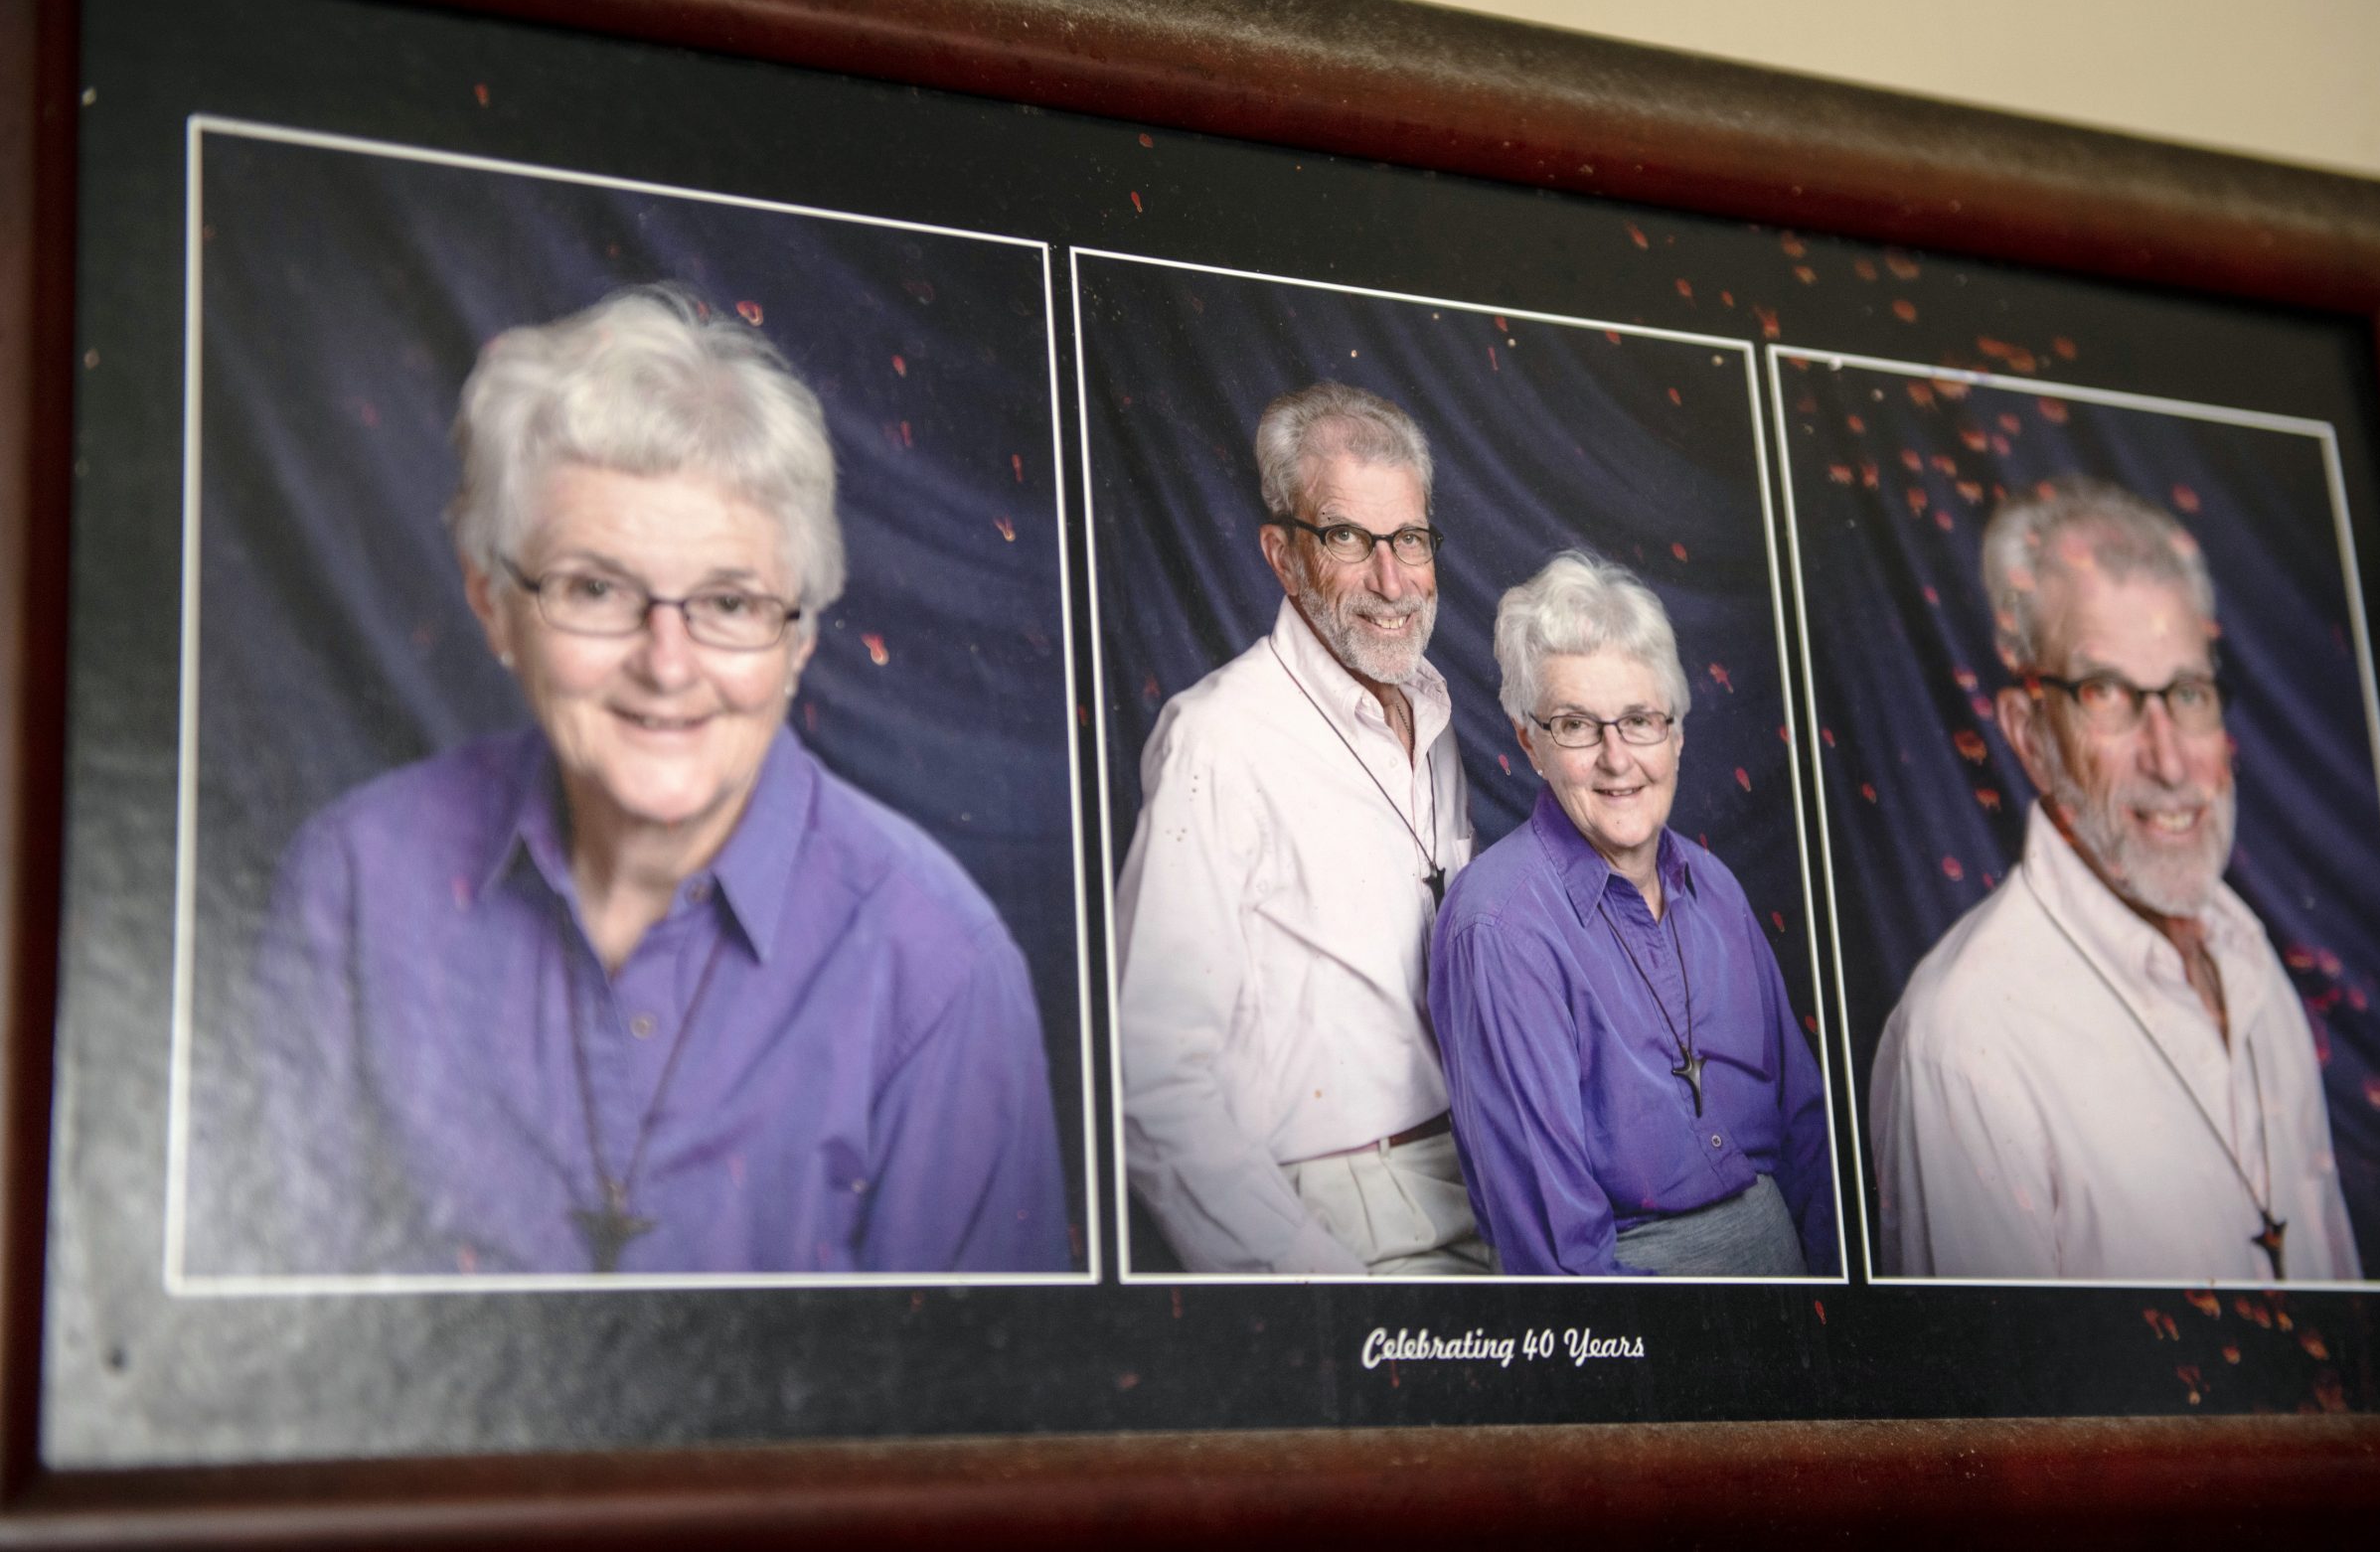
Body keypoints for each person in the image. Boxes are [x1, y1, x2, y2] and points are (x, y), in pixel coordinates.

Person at [209, 283, 1069, 1276]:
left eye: (731, 601)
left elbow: (991, 1415)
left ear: (800, 636)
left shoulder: (938, 965)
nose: (666, 665)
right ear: (493, 605)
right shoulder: (355, 884)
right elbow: (266, 1334)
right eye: (595, 589)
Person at [1870, 477, 2360, 1282]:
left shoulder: (2254, 965)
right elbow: (2004, 1407)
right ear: (2031, 736)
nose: (2170, 761)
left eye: (2189, 693)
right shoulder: (1963, 1043)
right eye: (2107, 694)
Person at [1115, 381, 1488, 1275]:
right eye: (1348, 539)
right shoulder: (1216, 739)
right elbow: (1150, 1082)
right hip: (1343, 1225)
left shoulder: (1433, 716)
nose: (1393, 581)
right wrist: (1314, 1285)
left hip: (1487, 1183)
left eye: (1409, 538)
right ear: (1283, 556)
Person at [1427, 552, 1835, 1276]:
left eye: (1641, 719)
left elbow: (1808, 1133)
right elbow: (1559, 1260)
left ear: (1675, 734)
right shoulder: (1499, 926)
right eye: (1578, 724)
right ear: (1531, 741)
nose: (1618, 759)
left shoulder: (1715, 886)